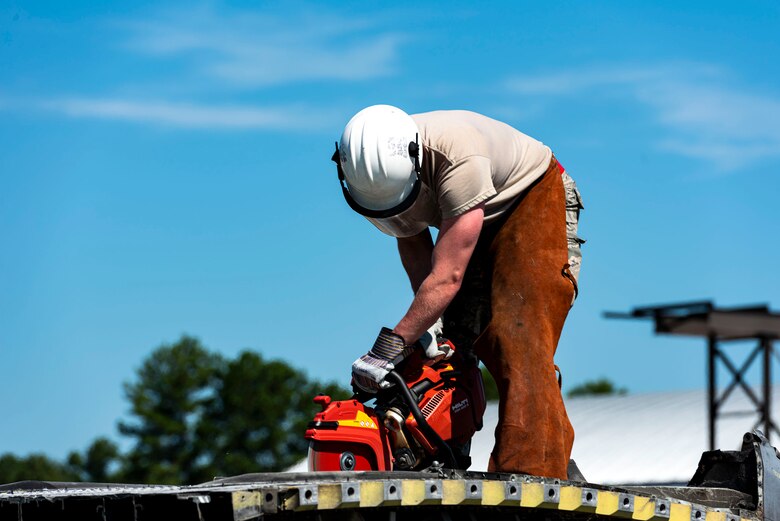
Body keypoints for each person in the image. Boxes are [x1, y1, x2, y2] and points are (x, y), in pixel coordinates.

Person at [331, 105, 584, 479]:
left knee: (517, 338)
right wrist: (428, 330)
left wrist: (391, 344)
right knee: (457, 341)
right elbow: (413, 244)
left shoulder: (457, 158)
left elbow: (447, 276)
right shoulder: (368, 180)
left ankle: (531, 476)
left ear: (416, 163)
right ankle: (441, 451)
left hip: (528, 196)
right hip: (463, 221)